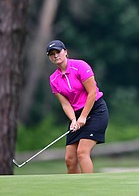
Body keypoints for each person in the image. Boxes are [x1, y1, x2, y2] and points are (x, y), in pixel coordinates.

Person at [46, 39, 109, 174]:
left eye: (58, 52)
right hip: (76, 115)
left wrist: (83, 117)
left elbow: (92, 93)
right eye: (51, 54)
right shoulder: (53, 79)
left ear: (65, 52)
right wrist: (74, 120)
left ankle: (88, 187)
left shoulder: (80, 66)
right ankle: (74, 189)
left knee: (82, 152)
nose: (55, 55)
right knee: (70, 159)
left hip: (95, 111)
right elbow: (65, 104)